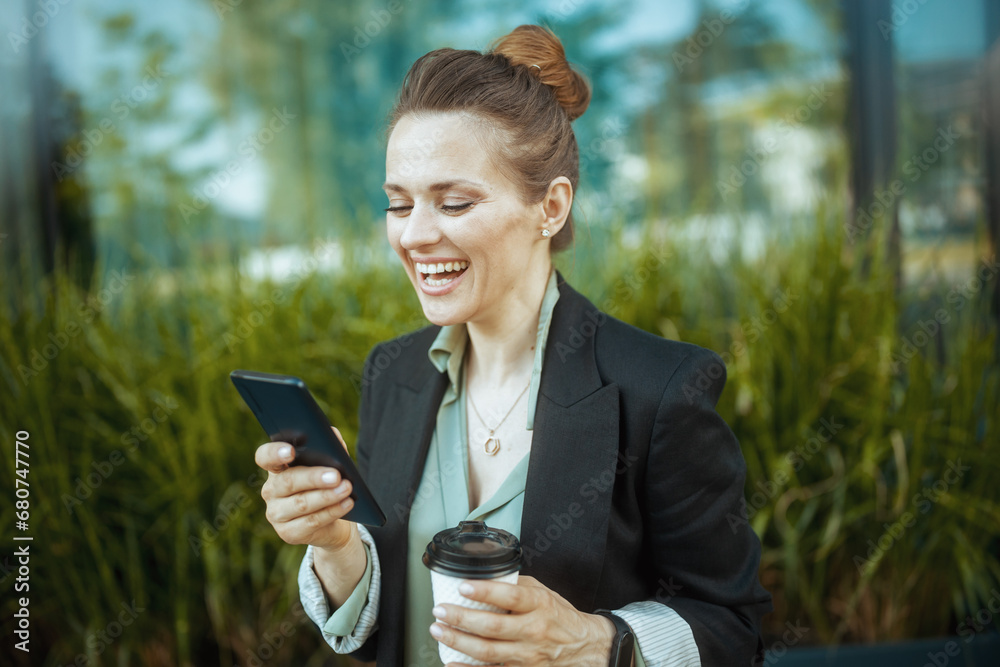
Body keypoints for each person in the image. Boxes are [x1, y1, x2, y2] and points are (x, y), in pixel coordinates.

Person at [255, 24, 772, 667]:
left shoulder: (660, 390)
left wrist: (594, 642)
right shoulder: (393, 373)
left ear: (550, 207)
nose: (414, 235)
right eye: (398, 204)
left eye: (455, 202)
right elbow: (389, 623)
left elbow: (735, 631)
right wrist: (334, 540)